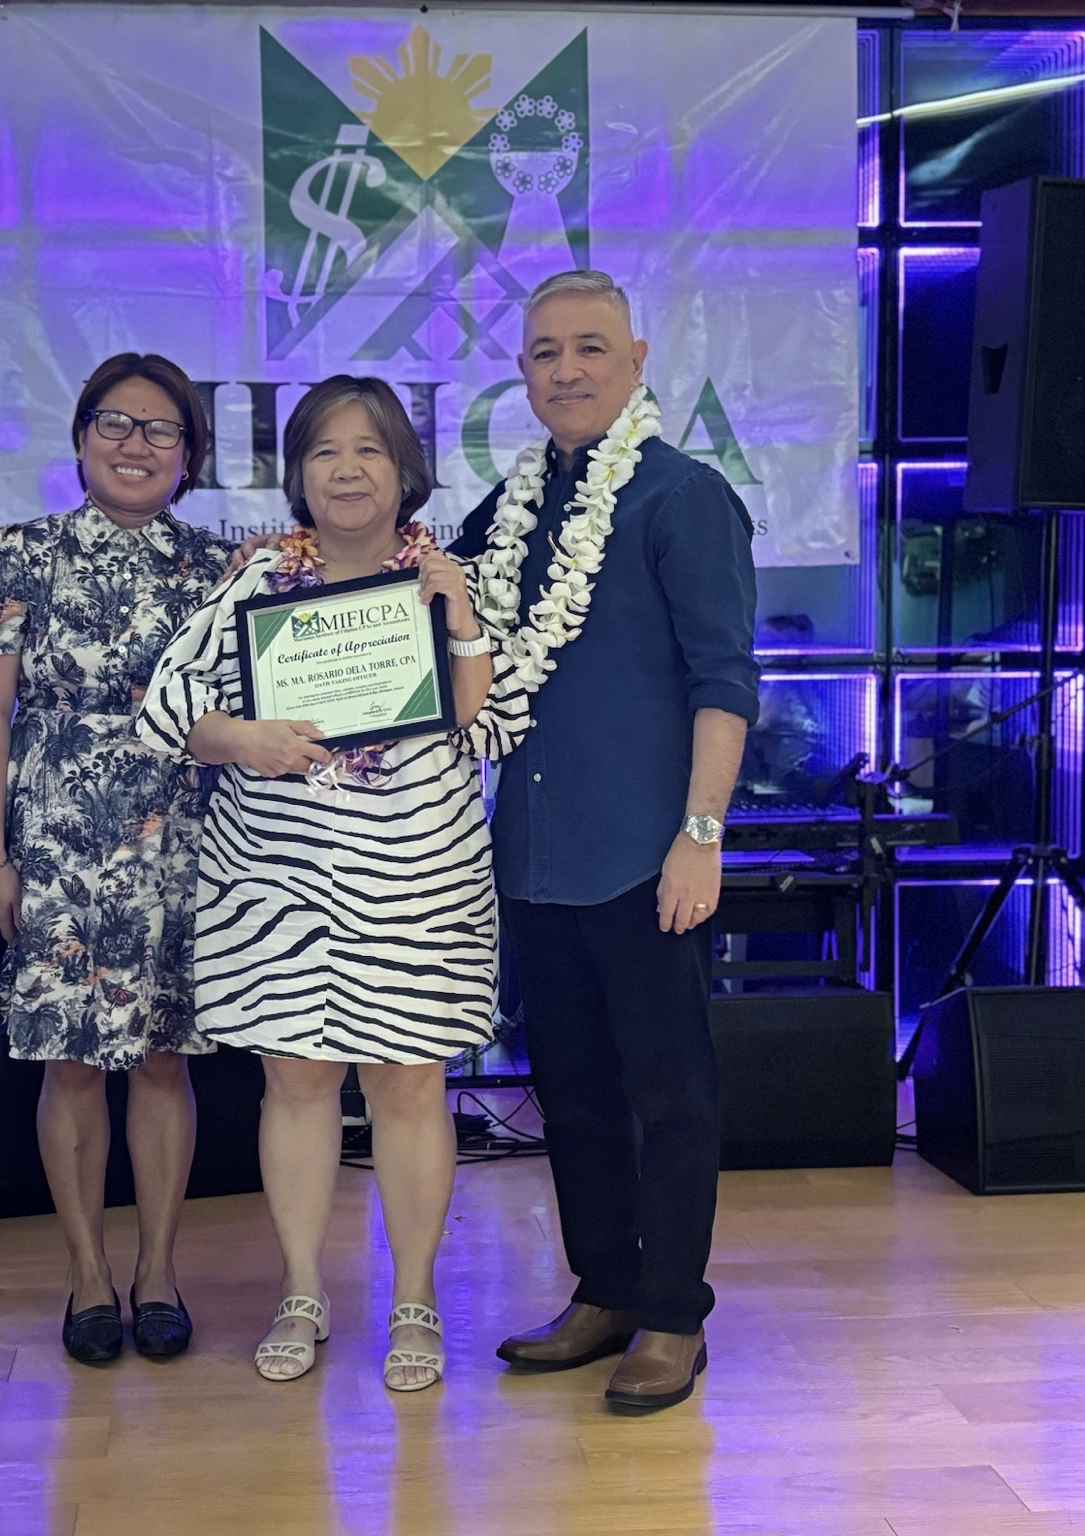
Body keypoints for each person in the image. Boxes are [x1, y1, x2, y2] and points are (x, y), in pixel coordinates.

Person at [137, 375, 526, 1393]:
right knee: (296, 1081)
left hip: (417, 879)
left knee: (409, 1085)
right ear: (297, 475)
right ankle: (302, 1290)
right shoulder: (255, 579)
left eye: (366, 450)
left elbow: (486, 722)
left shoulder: (449, 577)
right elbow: (169, 711)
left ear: (403, 469)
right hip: (275, 886)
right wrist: (245, 737)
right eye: (322, 452)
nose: (345, 469)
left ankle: (414, 1300)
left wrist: (464, 620)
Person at [447, 270, 760, 1413]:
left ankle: (673, 1314)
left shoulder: (680, 497)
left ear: (635, 363)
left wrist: (698, 835)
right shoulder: (509, 507)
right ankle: (604, 1289)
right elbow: (439, 620)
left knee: (668, 1093)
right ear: (521, 375)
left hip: (644, 854)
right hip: (531, 852)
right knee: (567, 1091)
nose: (565, 370)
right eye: (541, 353)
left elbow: (724, 681)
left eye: (587, 347)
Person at [0, 352, 231, 1366]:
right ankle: (84, 1274)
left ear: (188, 457)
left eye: (161, 430)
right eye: (115, 424)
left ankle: (157, 1271)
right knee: (72, 1066)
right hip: (56, 839)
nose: (135, 445)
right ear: (79, 440)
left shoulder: (216, 569)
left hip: (179, 837)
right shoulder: (17, 554)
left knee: (162, 1058)